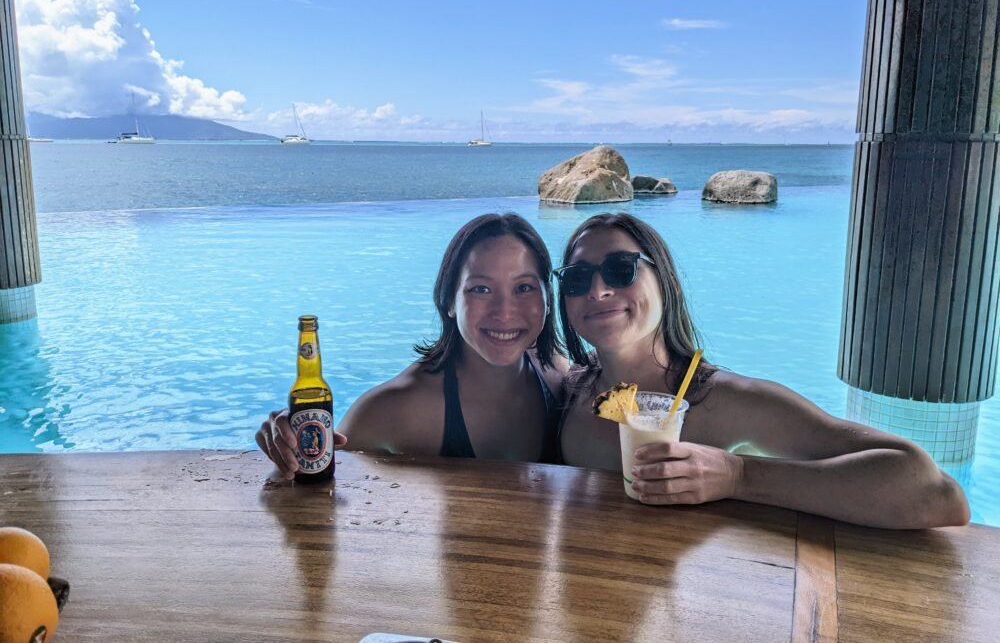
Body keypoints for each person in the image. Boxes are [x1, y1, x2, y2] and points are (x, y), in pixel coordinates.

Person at [554, 212, 970, 529]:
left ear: (665, 282)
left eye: (621, 268)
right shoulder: (568, 391)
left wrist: (739, 476)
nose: (598, 289)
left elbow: (935, 494)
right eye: (576, 278)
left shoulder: (729, 402)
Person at [256, 213, 566, 478]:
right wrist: (288, 449)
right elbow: (309, 487)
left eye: (523, 287)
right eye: (481, 289)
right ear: (449, 301)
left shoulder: (561, 379)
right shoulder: (397, 408)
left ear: (548, 301)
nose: (505, 311)